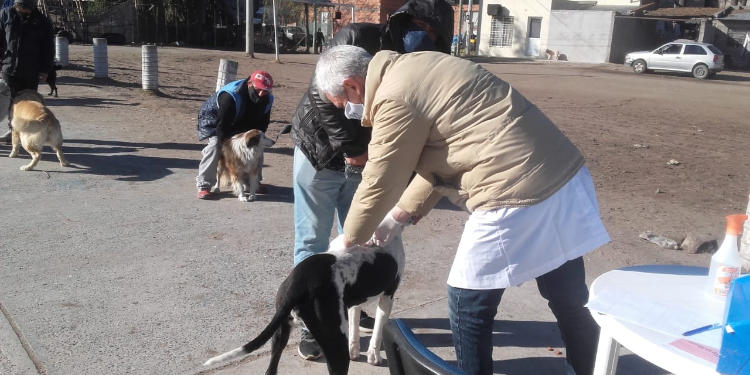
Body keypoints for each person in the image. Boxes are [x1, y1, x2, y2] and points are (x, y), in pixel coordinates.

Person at [319, 45, 611, 375]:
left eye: (343, 105)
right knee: (567, 296)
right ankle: (592, 368)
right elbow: (446, 156)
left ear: (352, 85)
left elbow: (379, 179)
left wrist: (347, 241)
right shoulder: (417, 67)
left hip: (512, 188)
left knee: (466, 301)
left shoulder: (392, 96)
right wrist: (399, 216)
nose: (349, 112)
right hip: (562, 176)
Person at [289, 0, 453, 361]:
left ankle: (354, 299)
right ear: (409, 24)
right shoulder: (357, 37)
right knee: (315, 241)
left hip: (368, 162)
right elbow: (322, 95)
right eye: (421, 32)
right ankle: (314, 320)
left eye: (433, 38)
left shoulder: (424, 60)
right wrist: (353, 151)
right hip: (320, 153)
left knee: (363, 241)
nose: (425, 40)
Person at [195, 71, 274, 200]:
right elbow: (221, 127)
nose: (261, 94)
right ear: (250, 84)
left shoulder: (268, 99)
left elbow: (262, 124)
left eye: (265, 91)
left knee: (257, 144)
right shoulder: (230, 96)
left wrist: (253, 139)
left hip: (242, 123)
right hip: (215, 122)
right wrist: (229, 150)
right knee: (215, 146)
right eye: (258, 90)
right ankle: (204, 184)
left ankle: (253, 182)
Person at [0, 0, 54, 143]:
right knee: (10, 104)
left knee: (29, 104)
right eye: (21, 8)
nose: (24, 11)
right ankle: (13, 132)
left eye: (27, 8)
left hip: (31, 70)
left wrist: (45, 70)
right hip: (9, 67)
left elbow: (48, 48)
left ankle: (27, 132)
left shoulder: (42, 21)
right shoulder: (5, 15)